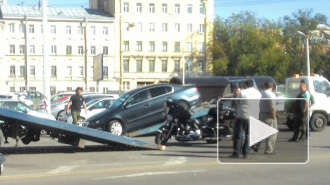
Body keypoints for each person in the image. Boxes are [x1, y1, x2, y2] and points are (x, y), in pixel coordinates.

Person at [229, 79, 262, 159]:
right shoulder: (258, 93)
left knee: (238, 135)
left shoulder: (243, 92)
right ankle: (246, 153)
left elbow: (237, 100)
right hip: (254, 116)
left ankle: (236, 153)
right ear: (253, 85)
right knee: (249, 136)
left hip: (242, 115)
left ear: (246, 85)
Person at [251, 80, 277, 154]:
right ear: (272, 87)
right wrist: (274, 116)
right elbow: (272, 107)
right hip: (269, 115)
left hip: (261, 113)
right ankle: (269, 150)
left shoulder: (260, 93)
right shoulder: (271, 95)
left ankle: (256, 145)